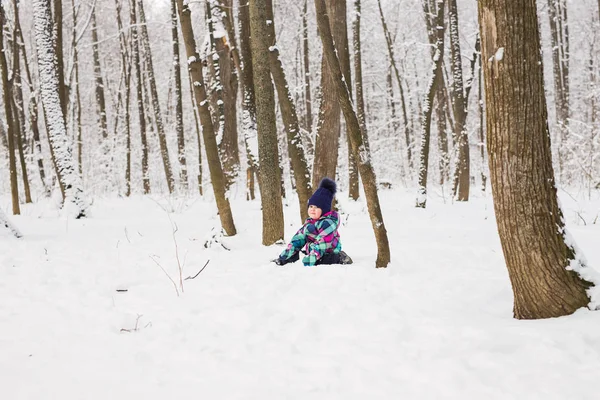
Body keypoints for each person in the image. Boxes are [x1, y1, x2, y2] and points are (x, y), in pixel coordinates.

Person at [274, 177, 353, 266]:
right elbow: (297, 240)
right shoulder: (309, 223)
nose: (312, 209)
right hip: (314, 252)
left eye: (316, 207)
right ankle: (284, 260)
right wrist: (285, 256)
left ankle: (341, 258)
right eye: (311, 206)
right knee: (297, 254)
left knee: (326, 259)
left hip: (328, 252)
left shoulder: (328, 223)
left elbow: (322, 244)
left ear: (324, 209)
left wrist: (309, 261)